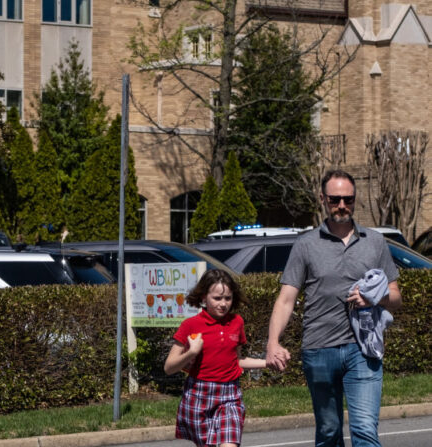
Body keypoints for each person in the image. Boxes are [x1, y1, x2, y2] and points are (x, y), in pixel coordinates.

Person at [266, 169, 401, 447]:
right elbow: (286, 299)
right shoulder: (306, 245)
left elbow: (396, 296)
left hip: (363, 349)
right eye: (335, 199)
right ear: (323, 199)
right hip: (319, 349)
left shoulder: (375, 242)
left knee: (365, 429)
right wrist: (272, 342)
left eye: (348, 199)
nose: (342, 205)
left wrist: (374, 298)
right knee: (329, 432)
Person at [164, 269, 266, 447]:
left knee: (230, 443)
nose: (223, 304)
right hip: (199, 394)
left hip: (230, 395)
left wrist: (268, 362)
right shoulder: (190, 325)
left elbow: (237, 360)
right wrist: (191, 353)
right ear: (204, 298)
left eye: (228, 298)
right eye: (217, 298)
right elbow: (169, 367)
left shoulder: (237, 322)